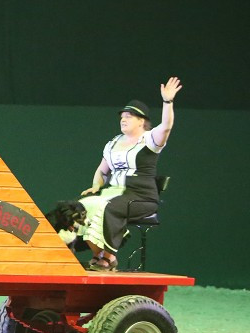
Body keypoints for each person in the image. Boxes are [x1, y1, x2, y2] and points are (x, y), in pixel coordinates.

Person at [77, 76, 182, 271]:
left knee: (108, 206)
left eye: (129, 116)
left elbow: (167, 126)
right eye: (122, 117)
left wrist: (168, 101)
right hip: (114, 193)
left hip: (141, 196)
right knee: (83, 205)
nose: (123, 119)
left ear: (142, 121)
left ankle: (108, 257)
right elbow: (102, 169)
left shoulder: (150, 139)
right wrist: (96, 185)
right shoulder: (113, 142)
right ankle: (98, 254)